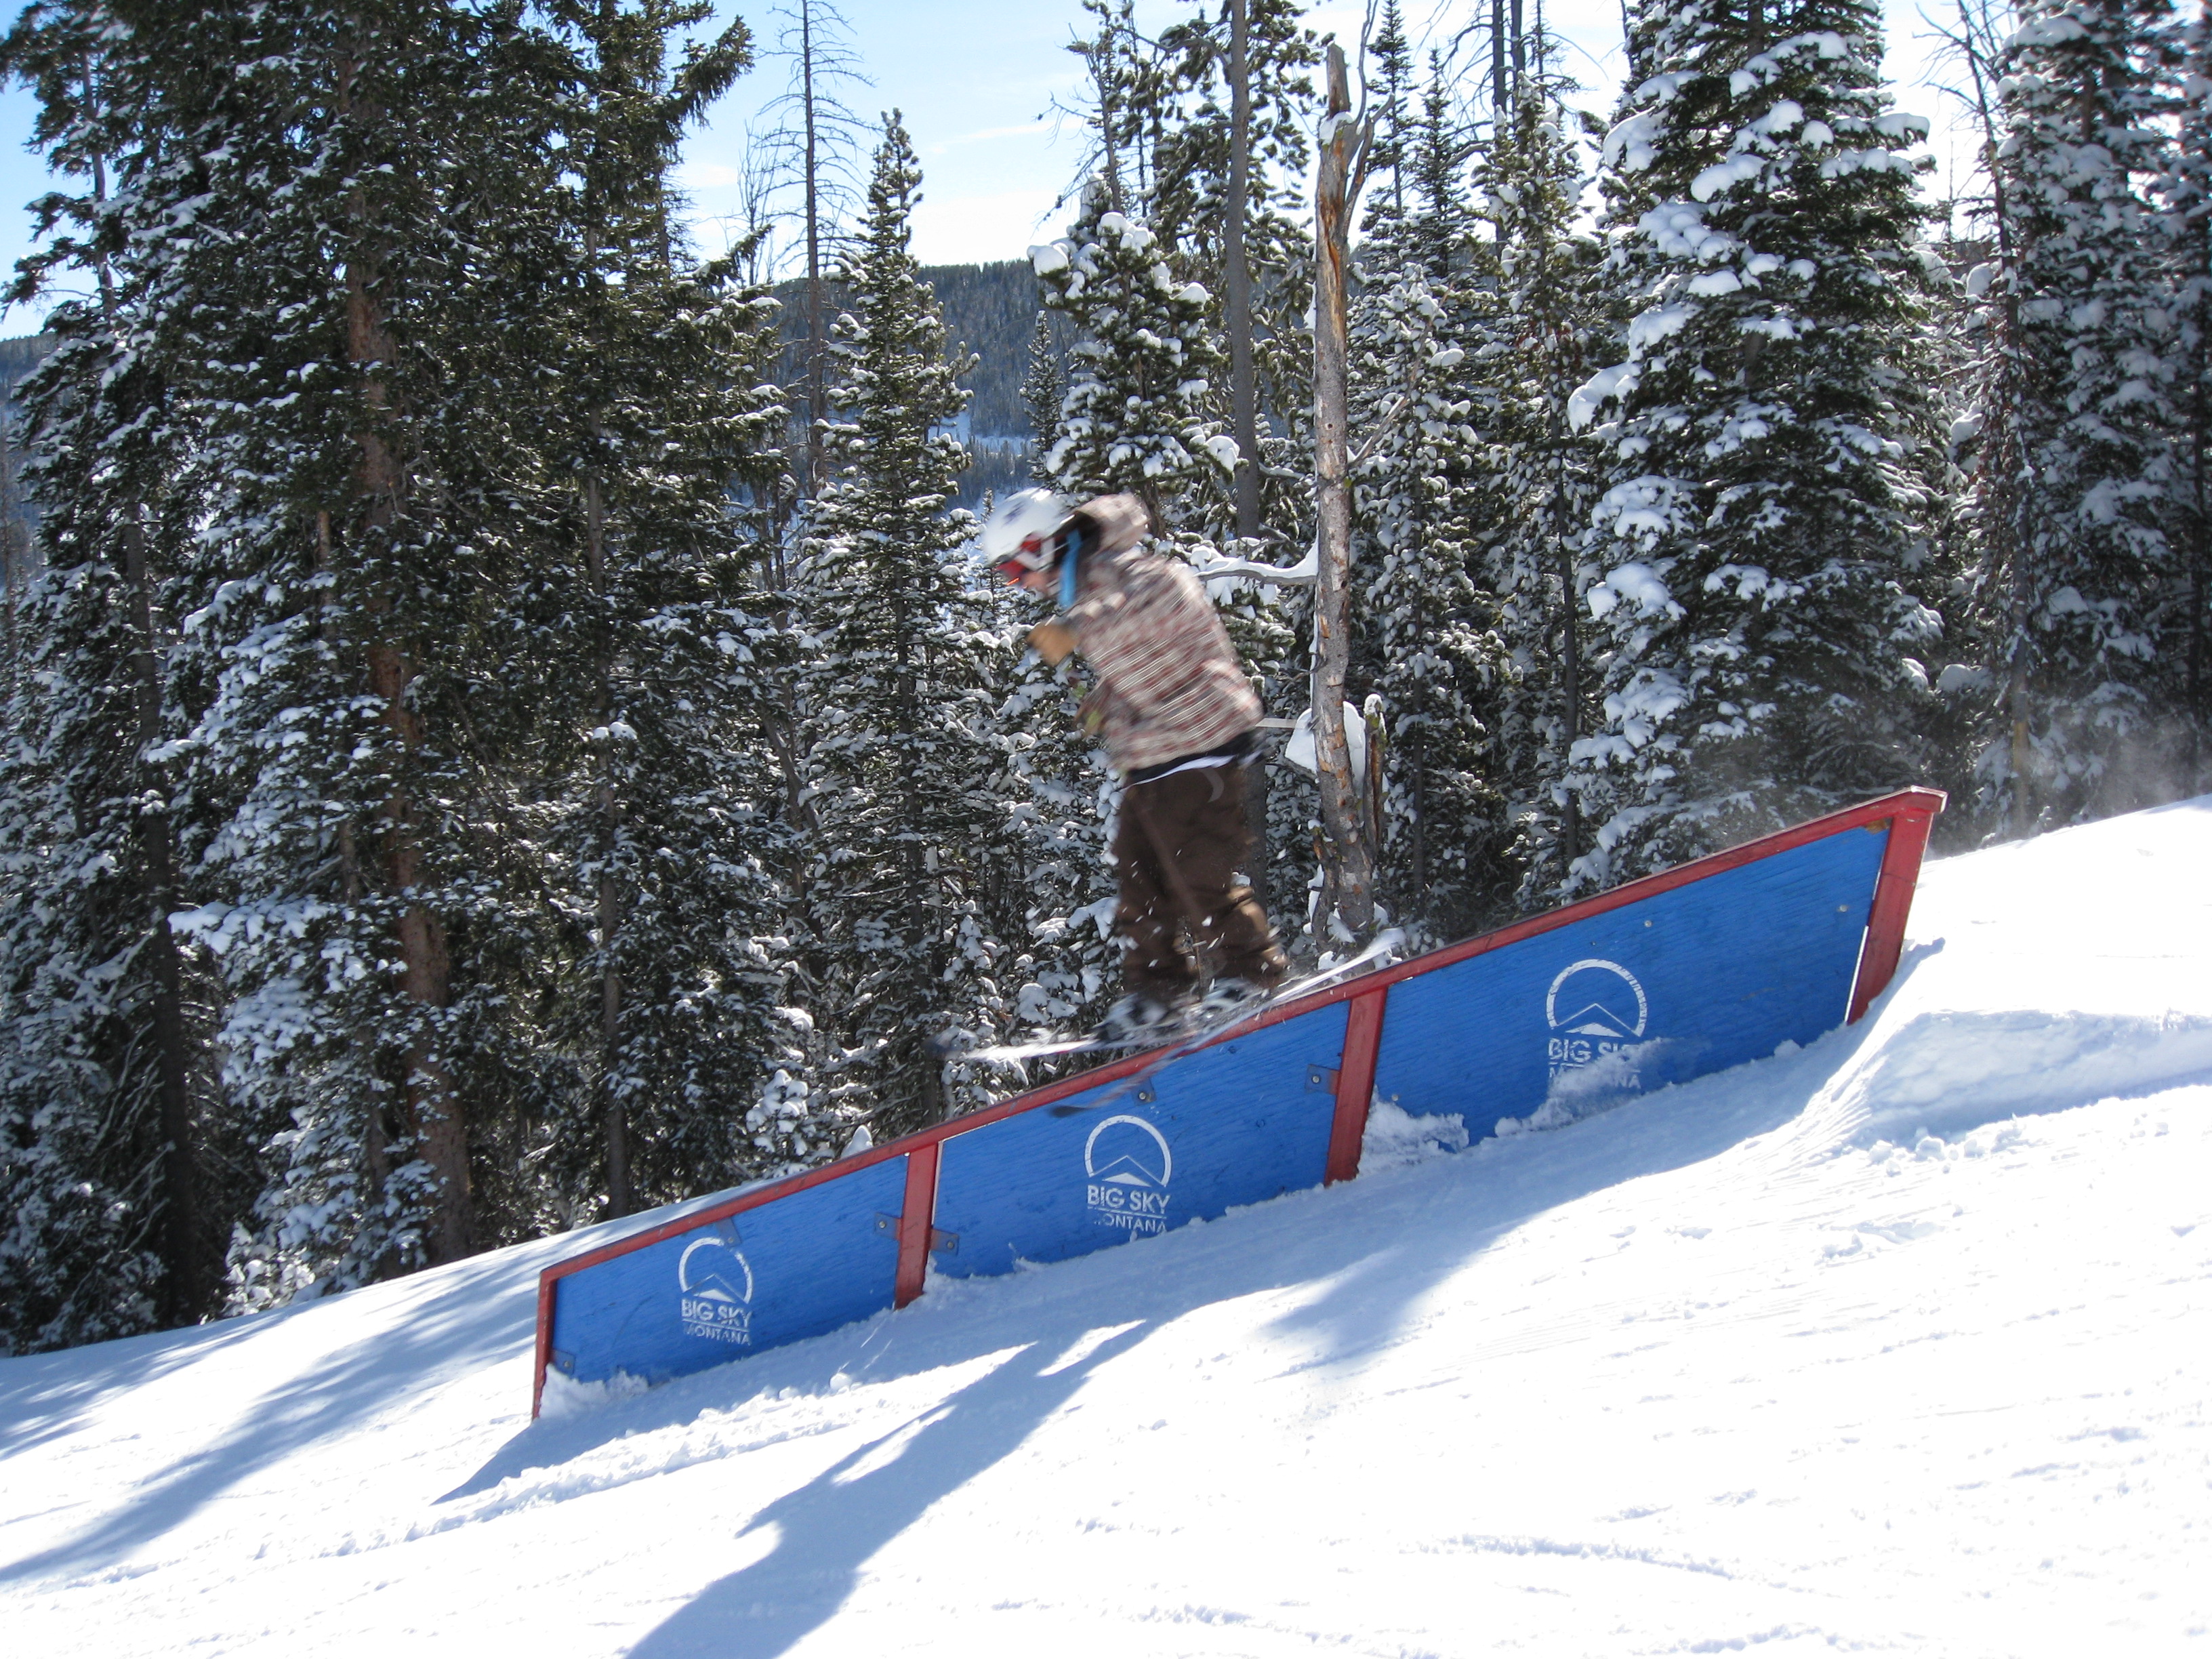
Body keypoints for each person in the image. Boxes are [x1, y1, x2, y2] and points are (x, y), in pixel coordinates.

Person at [983, 488, 1286, 1043]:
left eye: (1011, 568)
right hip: (1155, 754)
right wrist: (1105, 702)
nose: (1013, 582)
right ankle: (1159, 991)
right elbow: (1141, 658)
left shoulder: (1125, 570)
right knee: (1137, 873)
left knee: (1194, 870)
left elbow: (1161, 602)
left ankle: (1251, 971)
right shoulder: (1084, 589)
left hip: (1205, 739)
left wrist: (1079, 627)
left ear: (1038, 548)